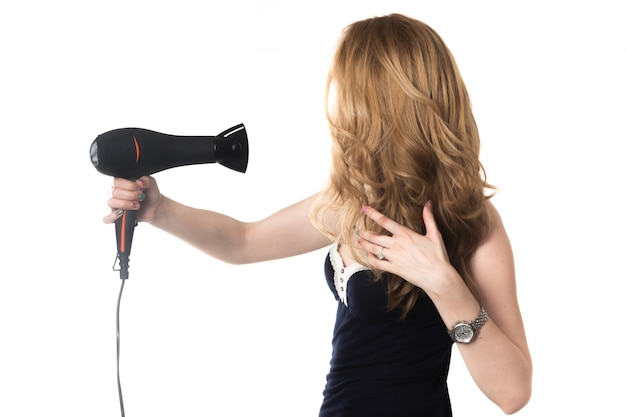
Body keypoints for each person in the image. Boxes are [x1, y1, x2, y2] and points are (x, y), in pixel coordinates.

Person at [104, 13, 532, 416]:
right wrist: (161, 211)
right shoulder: (352, 201)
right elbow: (244, 241)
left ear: (382, 105)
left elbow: (513, 393)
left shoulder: (468, 220)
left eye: (349, 90)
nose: (338, 106)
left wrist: (445, 286)